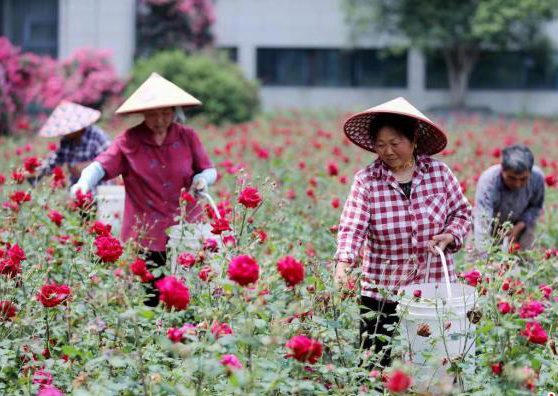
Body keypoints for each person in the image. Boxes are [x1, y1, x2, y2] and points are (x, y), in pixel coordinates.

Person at [334, 97, 472, 369]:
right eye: (381, 144)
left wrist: (450, 235)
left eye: (395, 143)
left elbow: (462, 213)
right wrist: (343, 264)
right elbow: (353, 226)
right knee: (373, 365)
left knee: (433, 364)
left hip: (432, 287)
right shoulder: (367, 181)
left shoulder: (439, 174)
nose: (387, 151)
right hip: (382, 290)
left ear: (413, 140)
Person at [71, 72, 217, 306]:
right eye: (153, 114)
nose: (159, 120)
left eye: (165, 113)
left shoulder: (187, 137)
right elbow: (99, 166)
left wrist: (202, 179)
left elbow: (209, 170)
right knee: (151, 298)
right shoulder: (129, 141)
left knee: (188, 295)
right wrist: (83, 183)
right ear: (143, 114)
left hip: (185, 230)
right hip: (146, 234)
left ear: (174, 111)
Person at [474, 144, 545, 254]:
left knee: (525, 257)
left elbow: (536, 206)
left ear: (530, 172)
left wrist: (520, 225)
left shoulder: (537, 178)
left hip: (519, 223)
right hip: (490, 223)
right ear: (502, 170)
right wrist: (485, 259)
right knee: (477, 261)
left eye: (523, 179)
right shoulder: (489, 181)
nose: (517, 184)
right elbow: (482, 222)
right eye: (511, 178)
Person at [37, 101, 111, 185]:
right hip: (77, 188)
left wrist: (87, 167)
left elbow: (110, 162)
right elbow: (52, 162)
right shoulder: (66, 141)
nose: (64, 133)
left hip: (100, 188)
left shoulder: (97, 136)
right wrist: (34, 170)